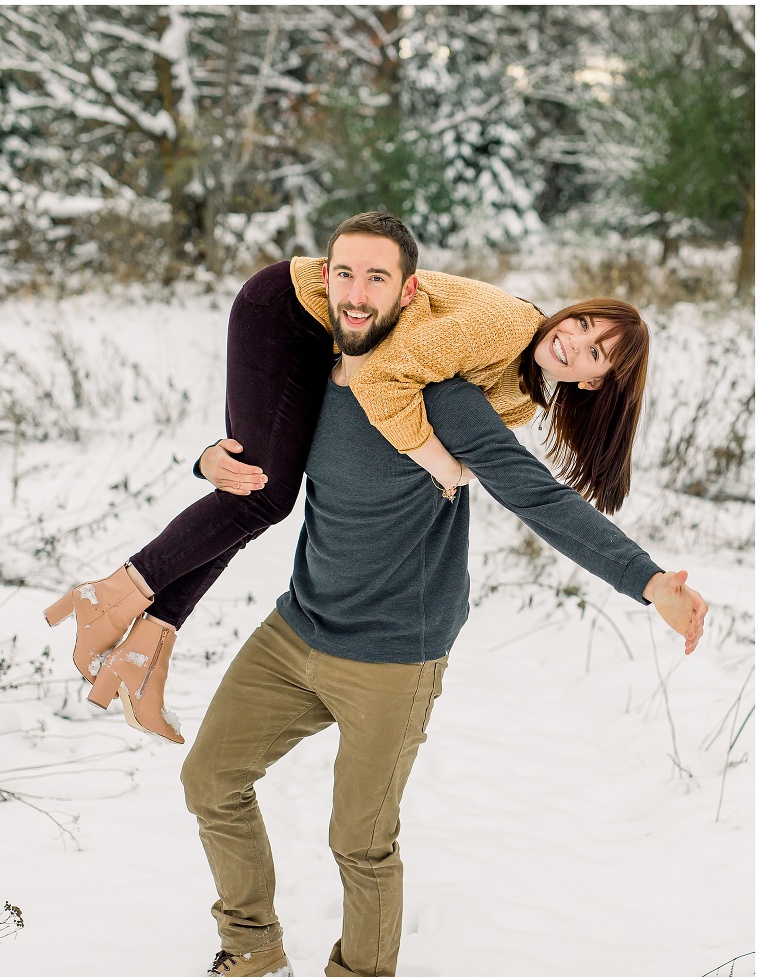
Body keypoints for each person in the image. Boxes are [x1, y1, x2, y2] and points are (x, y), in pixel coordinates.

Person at [171, 222, 707, 977]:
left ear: (408, 287)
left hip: (393, 651)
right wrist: (201, 457)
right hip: (299, 623)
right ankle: (252, 956)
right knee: (210, 778)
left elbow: (536, 495)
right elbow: (250, 452)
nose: (357, 294)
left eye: (598, 349)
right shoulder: (317, 367)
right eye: (347, 278)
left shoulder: (448, 394)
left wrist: (647, 581)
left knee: (359, 838)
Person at [44, 213, 649, 743]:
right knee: (264, 494)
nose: (575, 342)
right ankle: (115, 593)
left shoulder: (524, 396)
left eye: (595, 352)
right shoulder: (507, 326)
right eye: (584, 323)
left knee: (254, 491)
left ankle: (144, 654)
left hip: (335, 337)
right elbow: (383, 376)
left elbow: (436, 408)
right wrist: (438, 461)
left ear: (595, 384)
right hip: (289, 310)